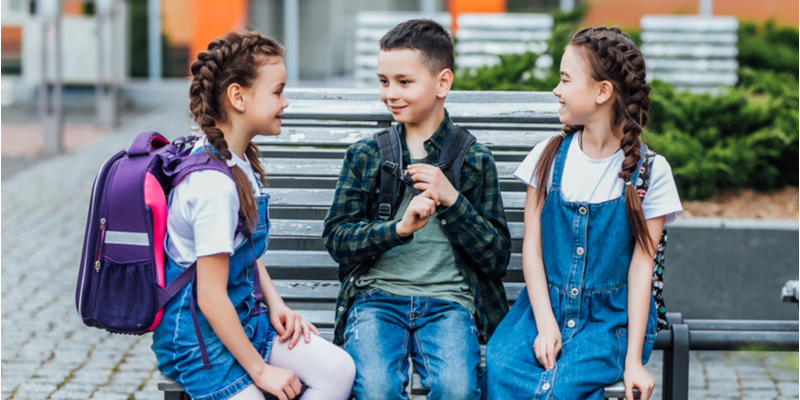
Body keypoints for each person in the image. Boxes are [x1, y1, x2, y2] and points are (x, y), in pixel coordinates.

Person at [150, 31, 355, 400]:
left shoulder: (237, 163)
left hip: (243, 317)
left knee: (338, 371)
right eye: (277, 91)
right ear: (238, 97)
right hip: (200, 339)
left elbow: (242, 254)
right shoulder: (212, 187)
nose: (285, 102)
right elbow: (210, 296)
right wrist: (261, 371)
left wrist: (276, 304)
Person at [484, 27, 682, 400]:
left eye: (564, 79)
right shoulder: (546, 157)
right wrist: (545, 323)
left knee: (556, 388)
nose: (556, 90)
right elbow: (533, 250)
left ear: (602, 92)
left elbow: (642, 270)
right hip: (542, 310)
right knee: (502, 368)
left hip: (606, 324)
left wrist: (633, 362)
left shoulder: (651, 173)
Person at [322, 19, 511, 400]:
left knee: (457, 390)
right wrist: (397, 230)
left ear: (443, 83)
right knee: (375, 389)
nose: (390, 93)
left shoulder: (474, 160)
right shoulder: (367, 155)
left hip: (449, 304)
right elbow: (337, 239)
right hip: (376, 300)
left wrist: (453, 200)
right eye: (383, 81)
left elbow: (496, 258)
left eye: (404, 82)